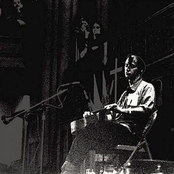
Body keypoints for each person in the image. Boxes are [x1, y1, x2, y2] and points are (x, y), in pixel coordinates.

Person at [61, 54, 156, 174]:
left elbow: (147, 110)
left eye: (132, 66)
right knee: (84, 135)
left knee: (89, 132)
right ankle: (68, 170)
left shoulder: (147, 87)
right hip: (118, 131)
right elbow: (114, 118)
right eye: (126, 65)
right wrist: (96, 118)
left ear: (141, 70)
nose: (127, 69)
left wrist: (120, 110)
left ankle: (68, 171)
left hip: (131, 133)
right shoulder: (125, 93)